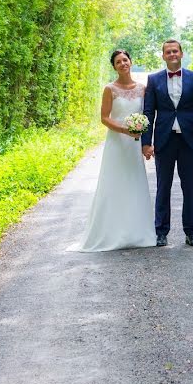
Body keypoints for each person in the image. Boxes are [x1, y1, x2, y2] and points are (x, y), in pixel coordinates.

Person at [68, 50, 157, 252]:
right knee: (115, 183)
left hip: (135, 144)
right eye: (118, 62)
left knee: (135, 183)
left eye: (125, 60)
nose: (123, 63)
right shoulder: (110, 89)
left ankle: (138, 233)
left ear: (131, 62)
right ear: (114, 66)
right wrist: (124, 129)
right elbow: (105, 117)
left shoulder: (143, 89)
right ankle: (111, 233)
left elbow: (149, 114)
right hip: (117, 144)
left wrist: (144, 137)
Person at [142, 40, 193, 247]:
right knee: (163, 187)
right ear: (163, 56)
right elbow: (148, 112)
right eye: (168, 52)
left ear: (181, 54)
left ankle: (191, 232)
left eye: (175, 51)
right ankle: (160, 232)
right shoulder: (154, 80)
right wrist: (146, 143)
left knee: (188, 187)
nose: (172, 54)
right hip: (164, 141)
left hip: (189, 141)